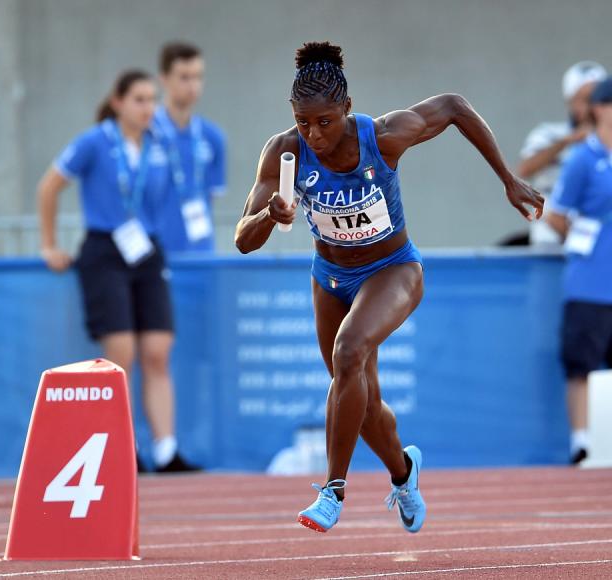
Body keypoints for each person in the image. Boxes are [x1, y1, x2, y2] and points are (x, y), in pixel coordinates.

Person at [234, 42, 543, 534]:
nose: (314, 134)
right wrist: (272, 215)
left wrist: (508, 179)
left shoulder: (384, 136)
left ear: (347, 110)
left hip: (393, 270)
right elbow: (242, 240)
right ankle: (403, 472)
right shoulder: (284, 152)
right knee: (362, 401)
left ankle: (333, 491)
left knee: (348, 352)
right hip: (330, 280)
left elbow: (455, 107)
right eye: (303, 121)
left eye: (325, 122)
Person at [37, 69, 198, 473]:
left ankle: (166, 449)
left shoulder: (159, 146)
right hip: (105, 250)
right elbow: (49, 186)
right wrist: (49, 245)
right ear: (118, 102)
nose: (148, 108)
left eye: (151, 100)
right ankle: (123, 450)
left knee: (158, 350)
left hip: (147, 251)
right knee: (120, 354)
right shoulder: (95, 141)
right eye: (139, 99)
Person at [546, 76, 612, 465]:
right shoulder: (584, 159)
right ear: (600, 109)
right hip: (589, 281)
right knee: (581, 364)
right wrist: (581, 236)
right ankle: (582, 442)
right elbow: (555, 213)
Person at [518, 61, 607, 247]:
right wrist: (569, 141)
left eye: (597, 98)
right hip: (549, 240)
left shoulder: (607, 143)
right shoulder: (549, 134)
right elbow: (525, 169)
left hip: (597, 244)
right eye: (583, 99)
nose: (591, 106)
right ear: (570, 101)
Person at [155, 42, 227, 253]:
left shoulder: (213, 137)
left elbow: (210, 197)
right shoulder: (146, 133)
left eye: (198, 76)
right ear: (164, 79)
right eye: (184, 77)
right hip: (154, 256)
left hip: (201, 253)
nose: (192, 85)